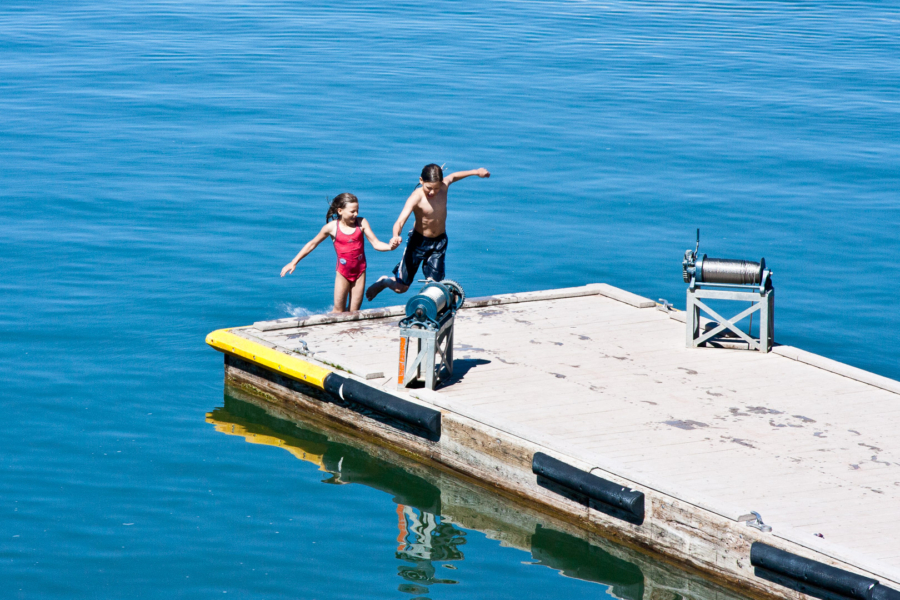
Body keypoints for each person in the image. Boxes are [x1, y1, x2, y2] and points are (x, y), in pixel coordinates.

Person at [365, 164, 490, 300]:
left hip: (439, 243)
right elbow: (400, 221)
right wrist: (395, 236)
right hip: (418, 242)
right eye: (428, 188)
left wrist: (476, 172)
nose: (432, 192)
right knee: (401, 288)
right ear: (421, 181)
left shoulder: (443, 187)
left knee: (435, 286)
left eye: (436, 188)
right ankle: (384, 281)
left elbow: (453, 176)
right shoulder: (416, 197)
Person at [281, 193, 397, 313]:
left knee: (354, 312)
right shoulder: (331, 228)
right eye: (352, 211)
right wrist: (293, 262)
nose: (356, 214)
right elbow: (312, 244)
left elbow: (376, 243)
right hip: (343, 273)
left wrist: (389, 247)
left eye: (357, 211)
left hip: (360, 272)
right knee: (338, 311)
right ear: (340, 211)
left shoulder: (361, 223)